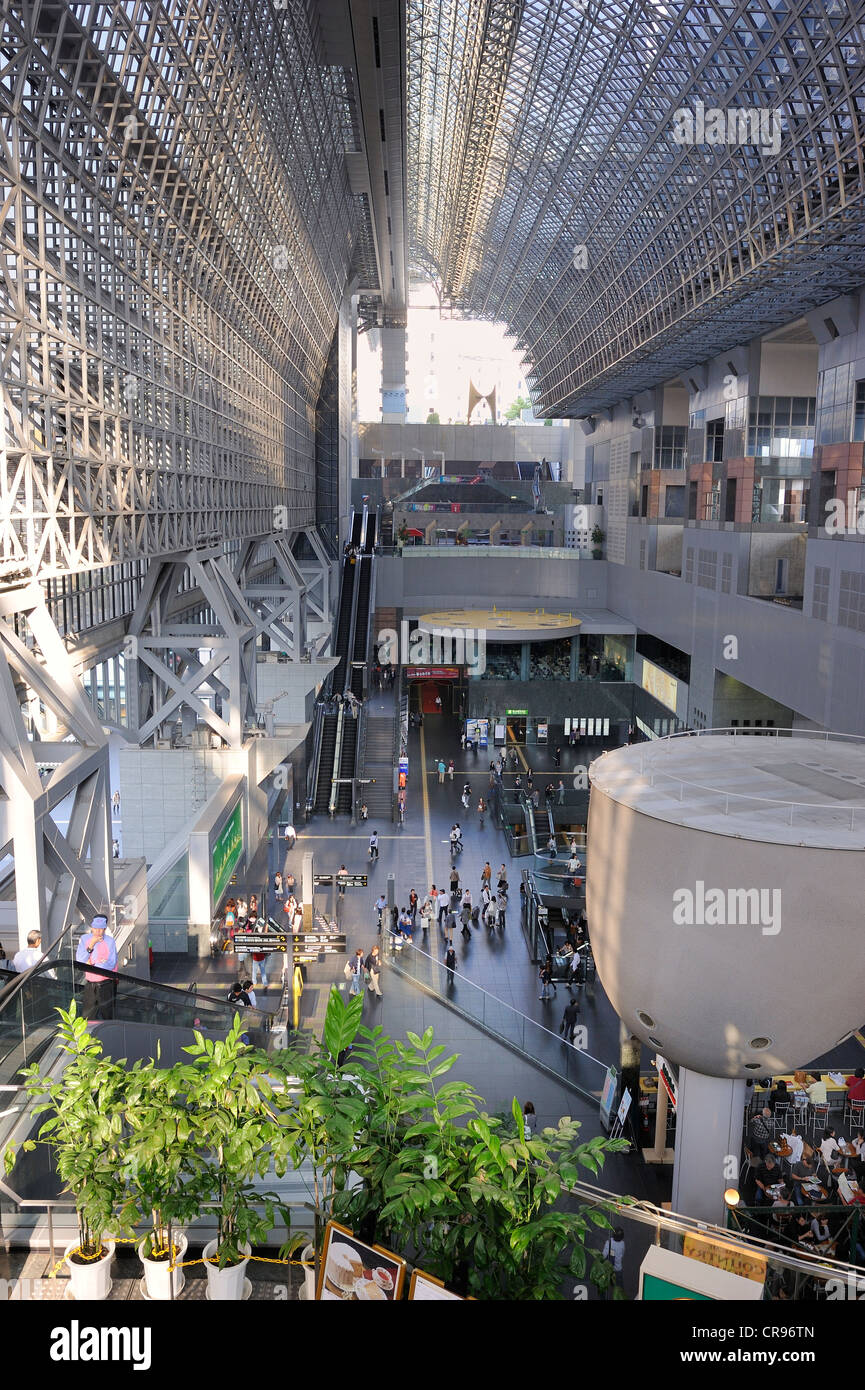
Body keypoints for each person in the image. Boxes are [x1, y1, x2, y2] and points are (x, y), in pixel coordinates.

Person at [76, 915, 117, 1019]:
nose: (98, 931)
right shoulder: (85, 939)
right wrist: (91, 945)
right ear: (92, 927)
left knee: (107, 1016)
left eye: (100, 929)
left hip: (106, 984)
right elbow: (80, 960)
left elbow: (112, 963)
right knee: (87, 1016)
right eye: (95, 928)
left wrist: (92, 963)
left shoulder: (110, 941)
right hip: (90, 984)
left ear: (104, 929)